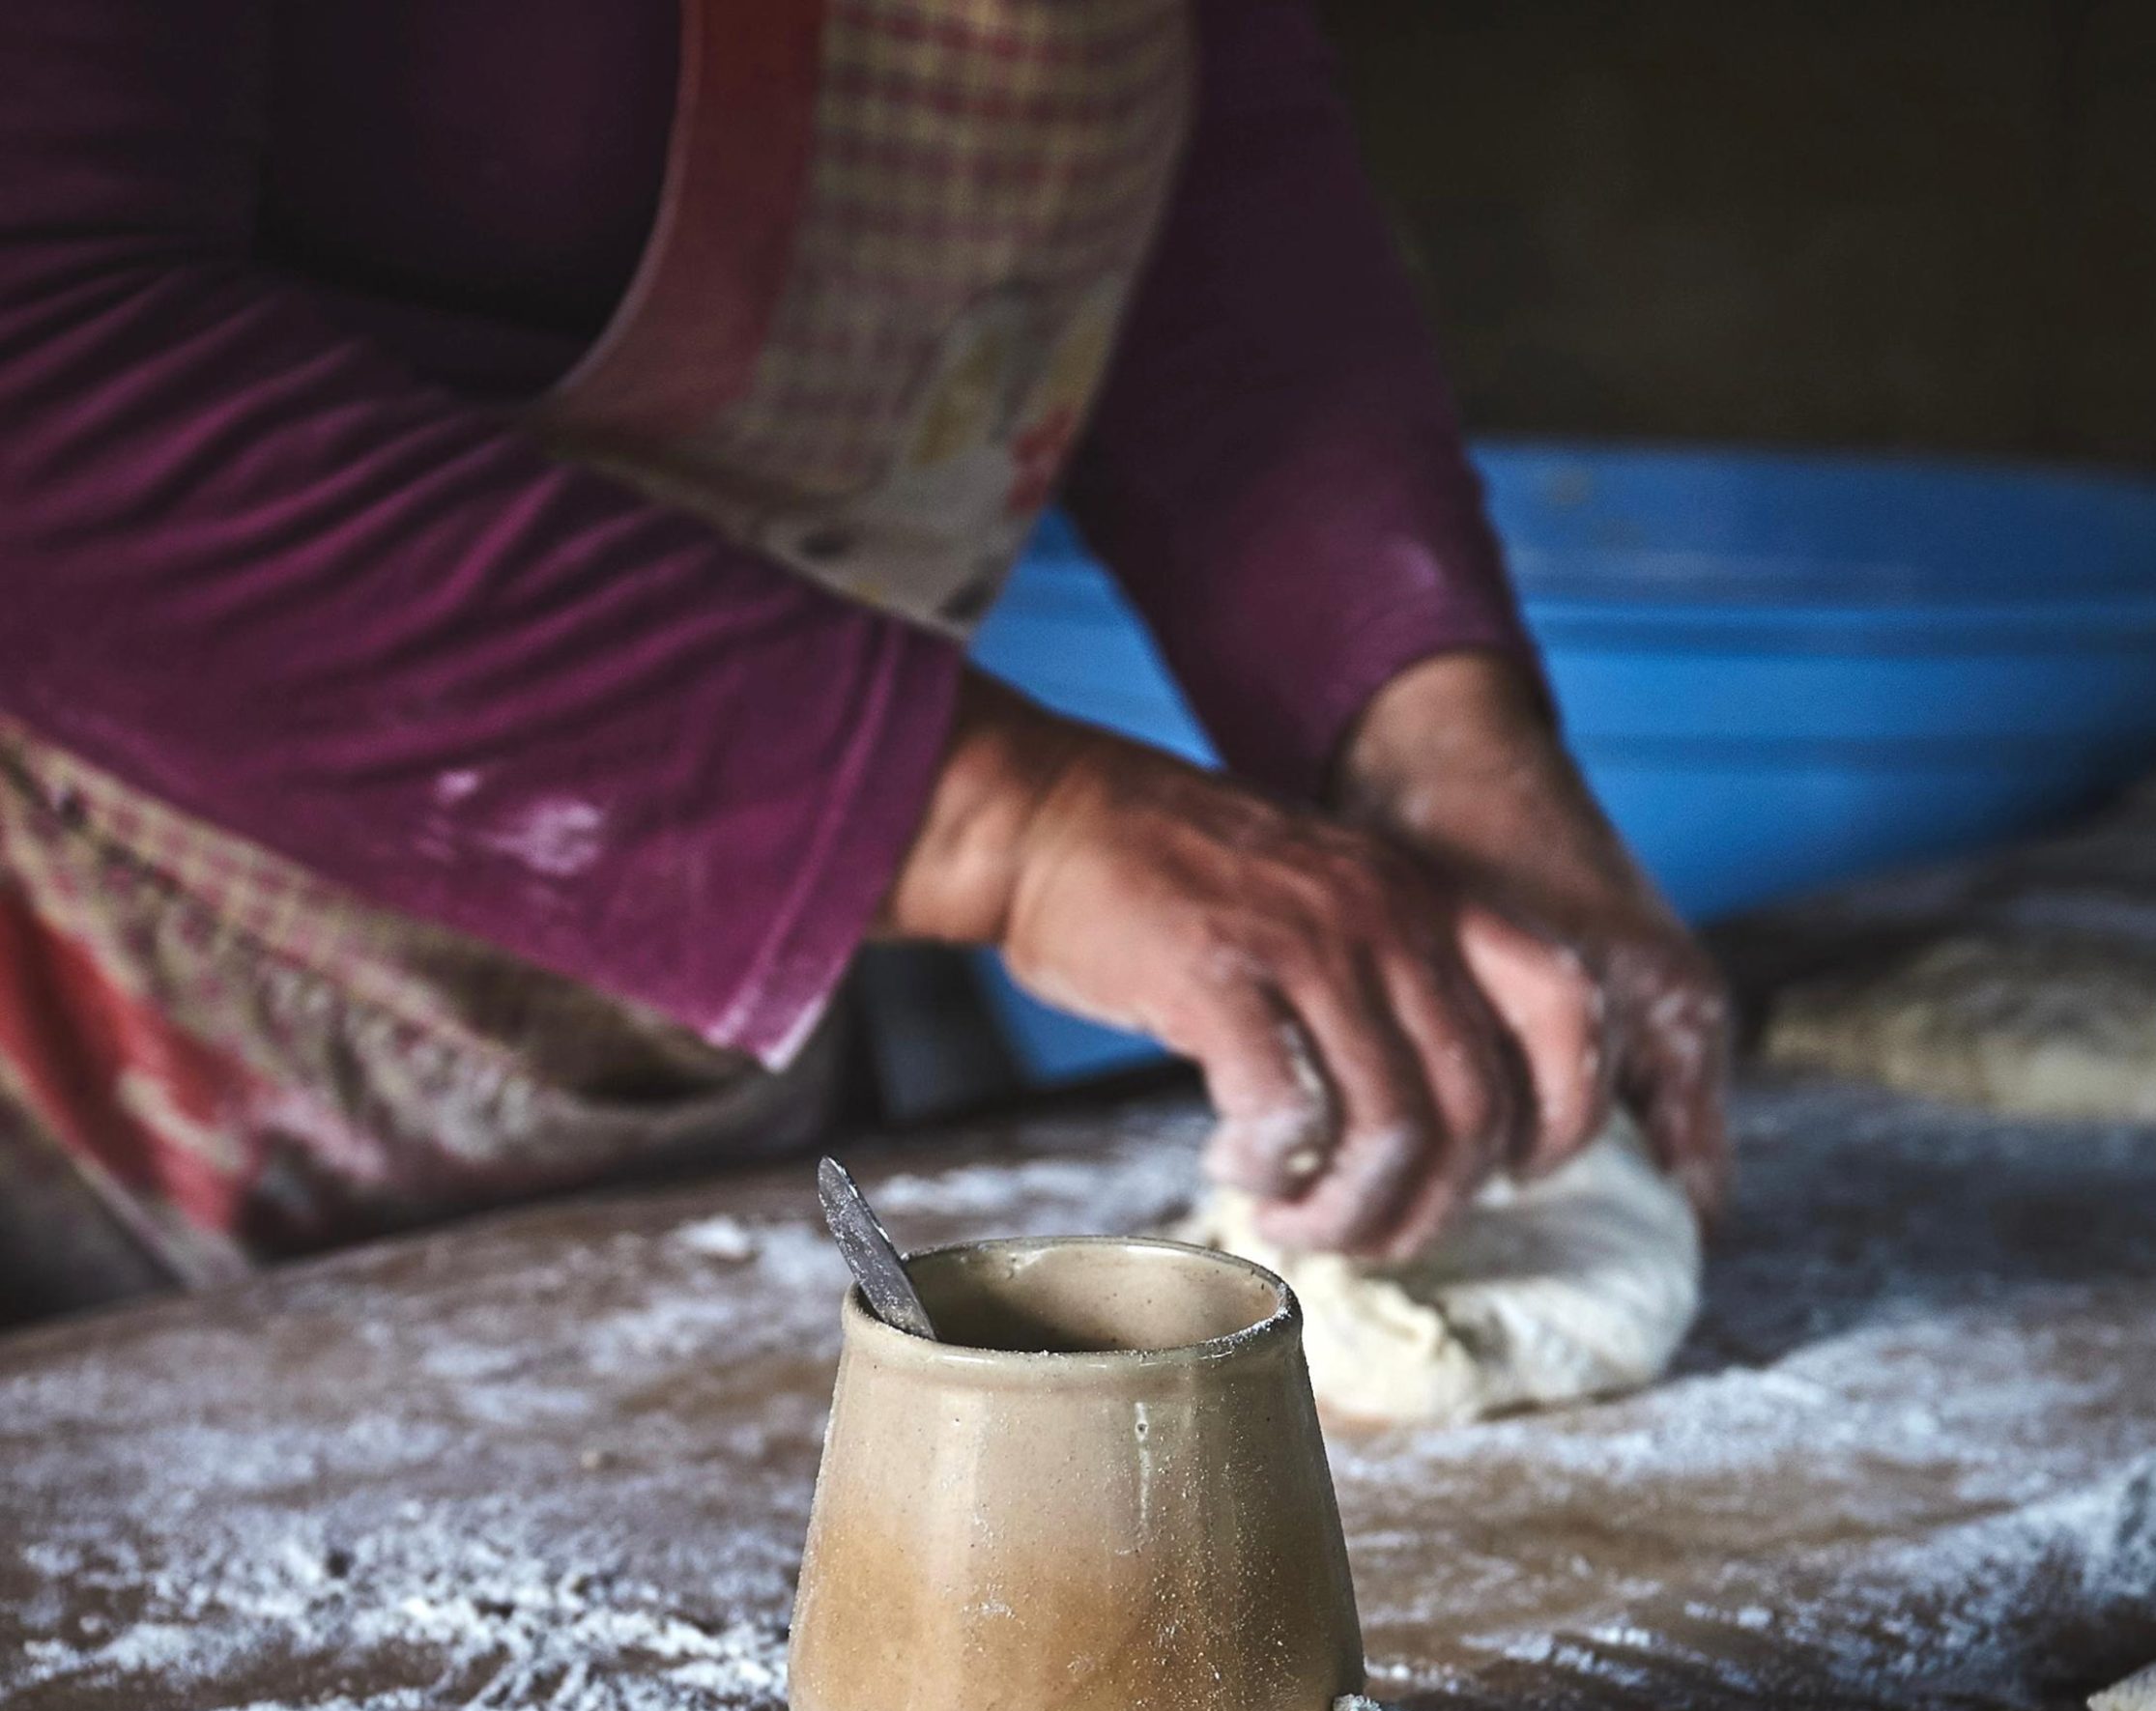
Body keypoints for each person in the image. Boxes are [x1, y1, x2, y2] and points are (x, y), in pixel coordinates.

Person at [0, 0, 1729, 1326]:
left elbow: (1209, 141)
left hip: (701, 1012)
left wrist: (1430, 732)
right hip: (89, 1037)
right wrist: (1003, 822)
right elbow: (42, 377)